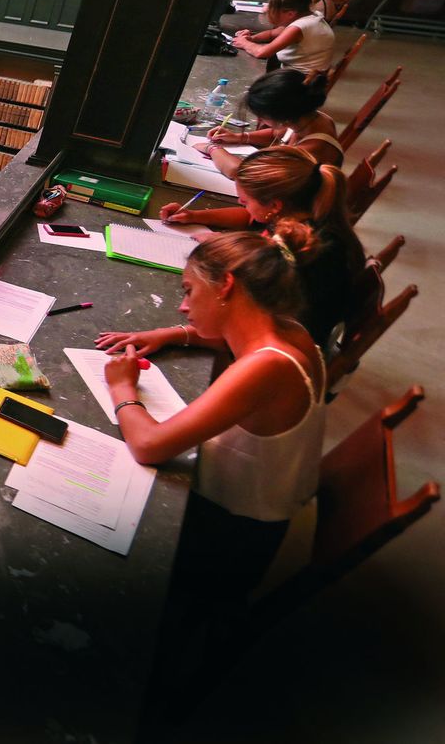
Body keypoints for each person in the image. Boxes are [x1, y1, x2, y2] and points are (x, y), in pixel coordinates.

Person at [97, 232, 326, 678]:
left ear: (225, 287)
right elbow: (225, 340)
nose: (183, 306)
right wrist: (172, 334)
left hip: (228, 542)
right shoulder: (289, 332)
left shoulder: (266, 368)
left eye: (188, 291)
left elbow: (147, 445)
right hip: (259, 516)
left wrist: (122, 388)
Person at [157, 147, 362, 350]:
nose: (240, 203)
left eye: (245, 201)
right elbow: (249, 218)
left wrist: (172, 335)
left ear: (274, 206)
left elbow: (249, 329)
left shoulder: (304, 253)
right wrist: (195, 216)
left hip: (288, 343)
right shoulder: (301, 216)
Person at [200, 68, 342, 178]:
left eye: (261, 116)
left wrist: (212, 148)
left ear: (282, 117)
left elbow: (240, 172)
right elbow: (277, 133)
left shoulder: (309, 150)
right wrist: (240, 137)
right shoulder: (305, 115)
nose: (260, 120)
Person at [231, 0, 335, 76]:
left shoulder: (299, 27)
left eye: (274, 12)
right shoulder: (311, 16)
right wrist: (252, 38)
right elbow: (272, 34)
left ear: (290, 14)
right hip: (306, 76)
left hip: (301, 81)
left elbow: (262, 52)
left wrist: (244, 43)